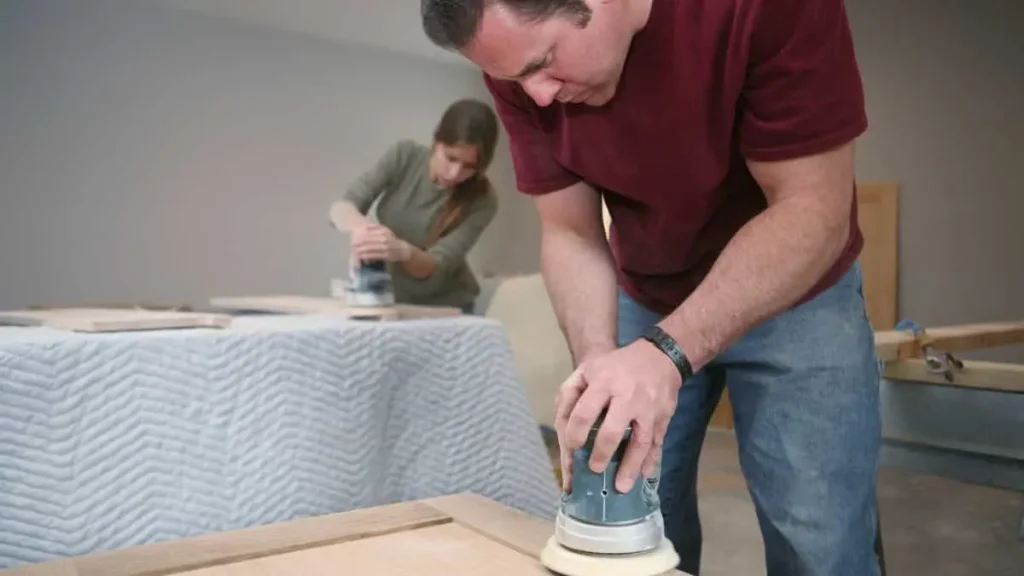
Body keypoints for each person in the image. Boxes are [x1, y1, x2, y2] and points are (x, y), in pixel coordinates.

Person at [421, 1, 881, 575]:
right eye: (514, 79)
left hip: (800, 291)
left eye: (544, 63)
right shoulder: (521, 69)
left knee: (819, 537)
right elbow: (569, 230)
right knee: (633, 527)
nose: (536, 95)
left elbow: (813, 210)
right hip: (649, 288)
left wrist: (667, 353)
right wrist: (598, 367)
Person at [329, 98, 500, 314]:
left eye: (469, 167)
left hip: (449, 307)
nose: (455, 173)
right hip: (396, 300)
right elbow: (342, 207)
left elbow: (437, 267)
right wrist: (366, 232)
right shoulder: (405, 156)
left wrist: (402, 251)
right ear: (437, 141)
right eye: (451, 158)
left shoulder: (483, 201)